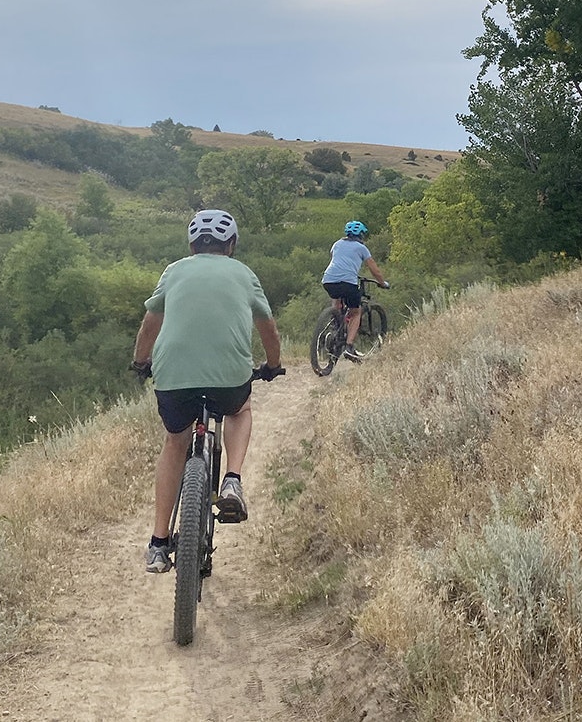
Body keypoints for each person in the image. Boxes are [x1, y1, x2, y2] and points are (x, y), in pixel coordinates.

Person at [131, 209, 283, 574]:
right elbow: (268, 329)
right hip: (228, 378)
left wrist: (140, 362)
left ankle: (157, 543)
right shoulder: (244, 274)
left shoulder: (174, 270)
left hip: (173, 378)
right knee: (239, 409)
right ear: (231, 245)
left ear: (192, 245)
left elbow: (150, 322)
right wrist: (273, 365)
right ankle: (231, 480)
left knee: (174, 442)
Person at [320, 220, 390, 362]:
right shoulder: (361, 248)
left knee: (337, 300)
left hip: (328, 280)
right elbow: (374, 269)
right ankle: (349, 347)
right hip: (348, 282)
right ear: (361, 235)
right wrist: (382, 283)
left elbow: (338, 260)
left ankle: (336, 323)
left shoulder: (337, 244)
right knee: (356, 312)